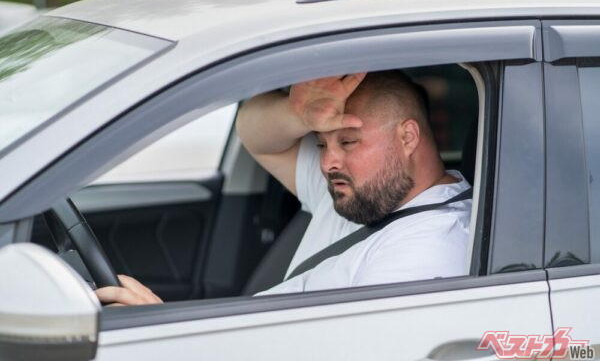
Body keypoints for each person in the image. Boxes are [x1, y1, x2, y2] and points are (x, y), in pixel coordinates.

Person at [95, 70, 471, 305]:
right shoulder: (360, 191)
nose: (328, 162)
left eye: (349, 142)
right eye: (322, 143)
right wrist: (298, 115)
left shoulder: (426, 252)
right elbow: (254, 134)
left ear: (408, 137)